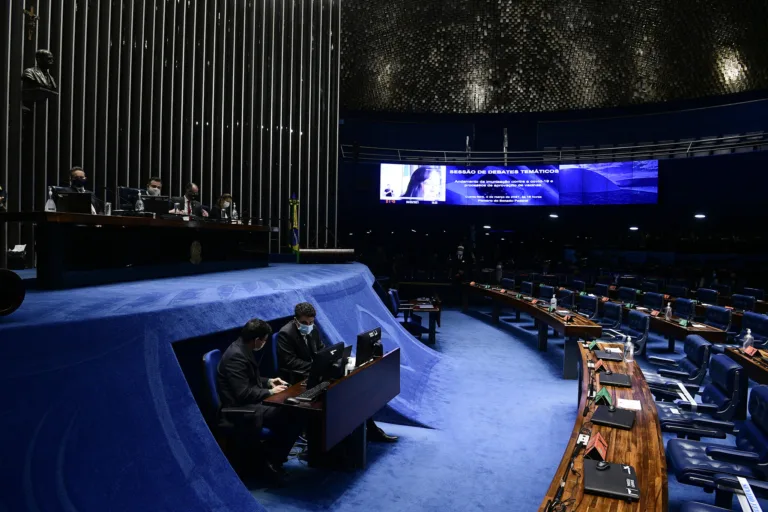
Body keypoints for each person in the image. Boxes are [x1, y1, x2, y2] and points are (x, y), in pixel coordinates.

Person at [277, 302, 398, 443]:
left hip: (316, 373)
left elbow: (322, 351)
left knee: (354, 388)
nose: (308, 325)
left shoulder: (312, 329)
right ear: (296, 320)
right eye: (304, 322)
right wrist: (317, 366)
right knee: (339, 392)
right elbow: (289, 362)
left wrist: (328, 361)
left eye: (311, 322)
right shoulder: (285, 333)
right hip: (297, 377)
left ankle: (368, 430)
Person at [217, 318, 304, 482]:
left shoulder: (243, 348)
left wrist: (269, 381)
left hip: (251, 403)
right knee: (293, 414)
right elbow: (243, 393)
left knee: (294, 411)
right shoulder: (236, 356)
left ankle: (271, 459)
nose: (264, 343)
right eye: (264, 340)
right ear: (256, 340)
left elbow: (248, 379)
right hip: (241, 409)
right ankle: (270, 463)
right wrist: (270, 391)